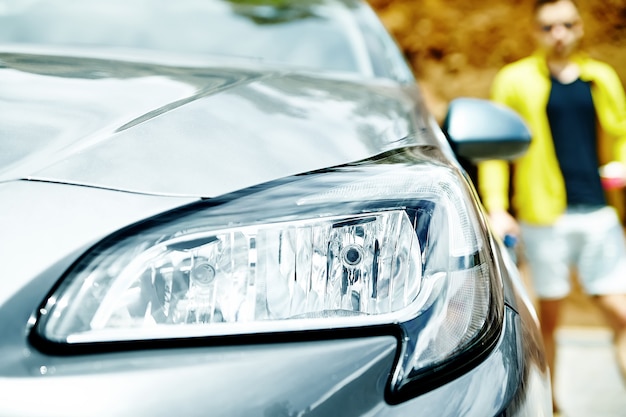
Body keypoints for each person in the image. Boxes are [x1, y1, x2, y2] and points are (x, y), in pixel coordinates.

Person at [477, 0, 626, 414]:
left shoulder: (602, 77)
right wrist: (496, 206)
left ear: (580, 28)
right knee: (550, 323)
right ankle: (551, 406)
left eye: (567, 25)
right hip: (545, 217)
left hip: (600, 211)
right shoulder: (514, 80)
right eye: (548, 27)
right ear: (535, 31)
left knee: (622, 316)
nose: (558, 33)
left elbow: (620, 133)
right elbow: (493, 149)